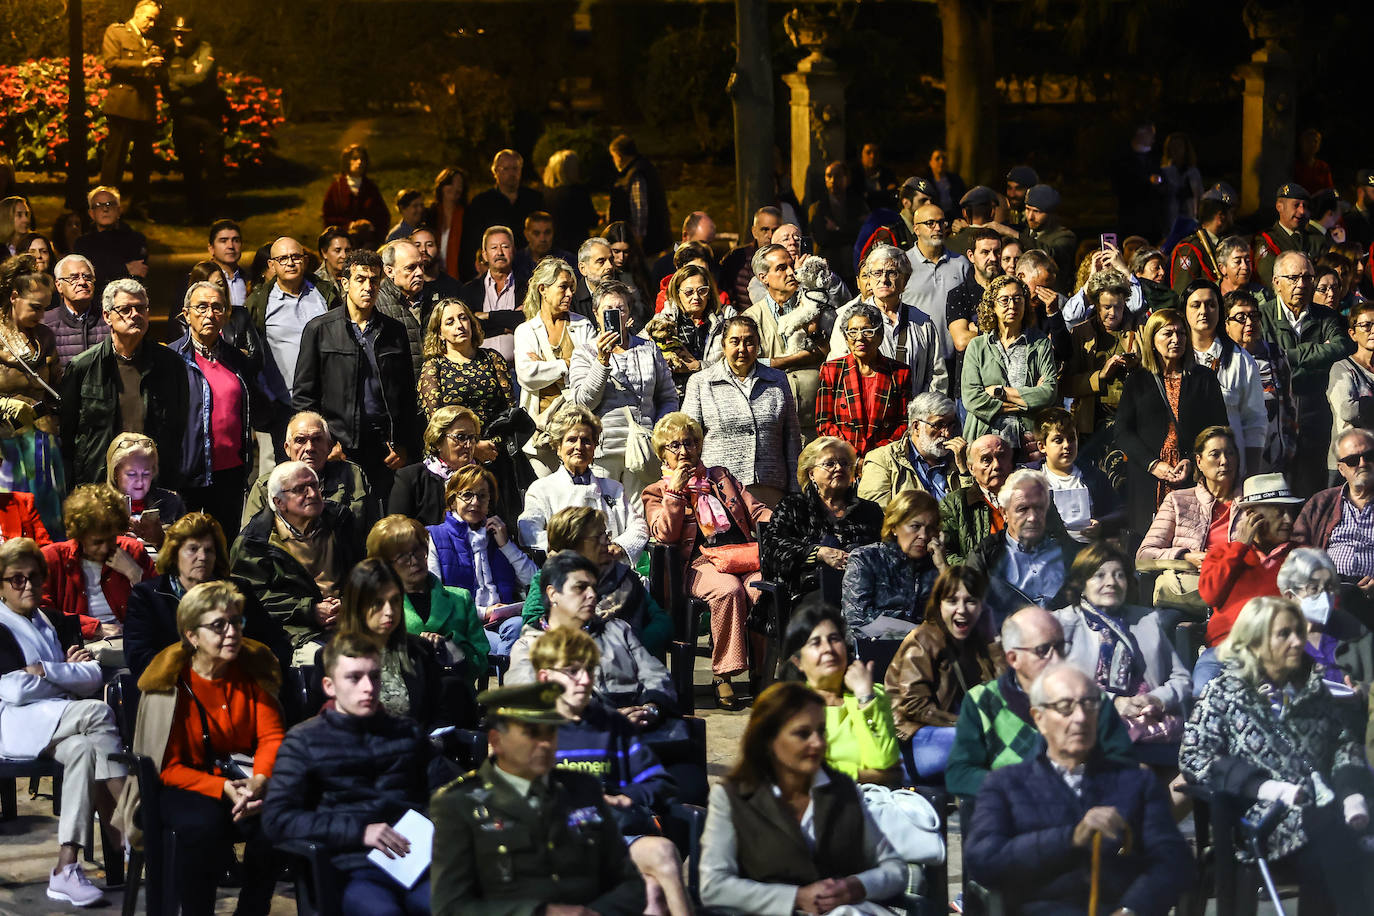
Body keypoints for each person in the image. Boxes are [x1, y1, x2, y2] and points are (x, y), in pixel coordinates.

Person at [1179, 597, 1374, 914]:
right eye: (1284, 634)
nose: (1298, 641)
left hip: (1330, 805)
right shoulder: (1225, 692)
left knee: (1347, 834)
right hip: (1263, 815)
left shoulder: (1314, 690)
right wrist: (1261, 787)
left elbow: (1343, 744)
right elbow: (1194, 755)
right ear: (1254, 640)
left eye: (1298, 632)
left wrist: (1352, 792)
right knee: (1337, 841)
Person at [113, 581, 284, 916]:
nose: (232, 632)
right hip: (183, 783)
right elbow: (168, 767)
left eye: (236, 622)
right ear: (191, 635)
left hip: (242, 776)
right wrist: (221, 788)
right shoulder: (170, 684)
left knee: (276, 820)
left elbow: (271, 736)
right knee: (201, 826)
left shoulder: (252, 671)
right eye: (219, 626)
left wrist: (259, 780)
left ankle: (252, 910)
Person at [967, 663, 1192, 916]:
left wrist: (1132, 909)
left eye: (1089, 705)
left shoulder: (1135, 783)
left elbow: (1173, 859)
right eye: (1065, 708)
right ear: (1039, 718)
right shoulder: (1006, 785)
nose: (1081, 718)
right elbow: (982, 860)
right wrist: (1071, 837)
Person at [263, 631, 450, 916]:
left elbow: (442, 790)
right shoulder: (305, 741)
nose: (368, 688)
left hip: (415, 860)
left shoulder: (407, 733)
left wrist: (436, 824)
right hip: (350, 865)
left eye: (374, 676)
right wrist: (359, 832)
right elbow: (277, 818)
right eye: (354, 678)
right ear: (329, 685)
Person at [429, 681, 647, 915]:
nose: (544, 744)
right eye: (531, 733)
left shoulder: (583, 790)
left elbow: (630, 884)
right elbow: (451, 905)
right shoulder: (458, 804)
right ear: (496, 741)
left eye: (550, 732)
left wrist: (591, 912)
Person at [699, 681, 906, 915]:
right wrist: (795, 898)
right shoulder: (733, 798)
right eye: (802, 734)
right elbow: (713, 885)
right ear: (769, 740)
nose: (817, 743)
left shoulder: (842, 790)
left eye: (821, 731)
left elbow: (894, 868)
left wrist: (856, 886)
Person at [0, 538, 127, 908]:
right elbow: (13, 689)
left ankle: (66, 868)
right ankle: (131, 824)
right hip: (14, 725)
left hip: (58, 720)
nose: (28, 586)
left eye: (34, 577)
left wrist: (48, 671)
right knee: (99, 712)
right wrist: (65, 674)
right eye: (16, 579)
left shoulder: (51, 619)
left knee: (88, 748)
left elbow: (92, 676)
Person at [532, 628, 692, 916]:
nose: (584, 681)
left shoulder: (611, 725)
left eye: (588, 671)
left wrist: (625, 797)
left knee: (664, 858)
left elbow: (658, 782)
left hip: (617, 838)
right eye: (571, 672)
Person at [643, 412, 770, 708]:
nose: (684, 451)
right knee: (727, 590)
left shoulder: (720, 477)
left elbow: (756, 511)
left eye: (689, 443)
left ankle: (762, 672)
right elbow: (664, 535)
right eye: (674, 446)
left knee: (761, 588)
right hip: (697, 564)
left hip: (742, 555)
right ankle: (723, 676)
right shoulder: (655, 491)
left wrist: (779, 524)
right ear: (662, 453)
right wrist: (676, 492)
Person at [945, 606, 1135, 799]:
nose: (1056, 659)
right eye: (1043, 650)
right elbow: (960, 775)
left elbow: (1123, 764)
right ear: (1013, 658)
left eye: (1061, 647)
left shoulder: (1091, 700)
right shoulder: (981, 701)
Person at [293, 248, 418, 503]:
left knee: (385, 529)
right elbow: (305, 397)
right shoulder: (319, 330)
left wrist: (404, 445)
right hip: (339, 446)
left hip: (385, 446)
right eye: (360, 279)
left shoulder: (394, 331)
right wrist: (324, 444)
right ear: (345, 283)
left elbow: (406, 395)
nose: (368, 287)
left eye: (374, 280)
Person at [1053, 544, 1191, 761]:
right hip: (1095, 724)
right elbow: (1056, 686)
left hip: (1153, 722)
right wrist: (1114, 702)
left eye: (1119, 575)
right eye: (1099, 575)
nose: (1111, 582)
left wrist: (1156, 699)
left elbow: (1181, 678)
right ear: (1081, 584)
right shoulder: (1062, 624)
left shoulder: (1147, 620)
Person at [508, 551, 675, 723]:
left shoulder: (618, 630)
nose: (592, 595)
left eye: (593, 587)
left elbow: (656, 675)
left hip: (639, 731)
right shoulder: (529, 647)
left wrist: (650, 709)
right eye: (580, 587)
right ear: (553, 594)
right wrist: (604, 719)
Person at [58, 276, 187, 489]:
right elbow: (69, 434)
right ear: (107, 316)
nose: (135, 315)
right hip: (99, 483)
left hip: (153, 481)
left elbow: (179, 427)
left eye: (140, 308)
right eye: (126, 310)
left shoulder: (170, 364)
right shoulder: (83, 367)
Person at [231, 461, 361, 666]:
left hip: (350, 620)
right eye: (300, 489)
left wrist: (348, 603)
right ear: (279, 502)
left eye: (315, 485)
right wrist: (311, 611)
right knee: (332, 661)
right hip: (295, 633)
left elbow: (363, 572)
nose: (312, 493)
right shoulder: (255, 542)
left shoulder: (340, 520)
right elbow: (255, 600)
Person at [124, 511, 281, 681]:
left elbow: (276, 643)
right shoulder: (148, 596)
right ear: (174, 554)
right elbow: (139, 658)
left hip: (237, 683)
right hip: (177, 688)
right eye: (193, 549)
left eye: (209, 550)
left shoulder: (238, 590)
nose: (203, 557)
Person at [1115, 307, 1229, 532]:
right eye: (1168, 333)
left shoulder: (1203, 378)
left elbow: (1218, 429)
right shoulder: (1138, 381)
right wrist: (1153, 464)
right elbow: (1122, 431)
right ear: (1152, 338)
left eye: (1181, 333)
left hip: (1192, 475)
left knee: (1190, 537)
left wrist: (1191, 460)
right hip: (1149, 478)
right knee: (1148, 543)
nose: (1176, 339)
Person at [885, 566, 1004, 779]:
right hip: (915, 737)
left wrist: (992, 639)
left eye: (971, 601)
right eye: (952, 601)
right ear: (939, 604)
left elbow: (1005, 694)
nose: (962, 609)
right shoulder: (924, 639)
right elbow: (914, 706)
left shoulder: (978, 642)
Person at [309, 559, 455, 730]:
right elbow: (317, 724)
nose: (389, 611)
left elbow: (439, 714)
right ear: (359, 606)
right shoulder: (332, 657)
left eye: (395, 601)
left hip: (414, 750)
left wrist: (430, 743)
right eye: (378, 603)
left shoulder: (419, 650)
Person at [169, 280, 265, 536]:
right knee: (185, 544)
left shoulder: (236, 359)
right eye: (201, 307)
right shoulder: (172, 360)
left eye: (217, 307)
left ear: (226, 315)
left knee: (225, 544)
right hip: (187, 472)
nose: (209, 314)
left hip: (230, 473)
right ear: (186, 314)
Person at [518, 506, 672, 662]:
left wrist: (634, 646)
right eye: (598, 537)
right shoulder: (548, 579)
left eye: (606, 534)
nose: (608, 541)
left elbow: (660, 621)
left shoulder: (623, 576)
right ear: (574, 544)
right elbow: (532, 625)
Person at [568, 280, 678, 496]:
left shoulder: (648, 349)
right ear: (596, 314)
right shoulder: (584, 353)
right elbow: (583, 403)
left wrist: (658, 433)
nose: (615, 315)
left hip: (644, 449)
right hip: (603, 450)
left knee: (642, 514)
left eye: (621, 309)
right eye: (608, 310)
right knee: (605, 516)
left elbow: (668, 397)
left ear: (629, 314)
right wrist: (601, 361)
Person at [1195, 473, 1303, 691]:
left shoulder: (1302, 556)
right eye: (1279, 512)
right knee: (1201, 692)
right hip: (1227, 650)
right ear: (1252, 515)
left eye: (1290, 512)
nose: (1289, 520)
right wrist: (1239, 547)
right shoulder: (1223, 553)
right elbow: (1210, 594)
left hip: (1279, 653)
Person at [682, 314, 801, 507]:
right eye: (735, 341)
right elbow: (688, 439)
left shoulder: (778, 380)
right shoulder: (701, 382)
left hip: (770, 487)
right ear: (723, 345)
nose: (742, 349)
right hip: (719, 489)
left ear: (758, 345)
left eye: (749, 342)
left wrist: (796, 490)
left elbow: (792, 439)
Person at [1261, 250, 1351, 495]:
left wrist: (1287, 355)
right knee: (1277, 490)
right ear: (1276, 282)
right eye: (1293, 278)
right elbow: (1264, 358)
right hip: (1275, 417)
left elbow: (1341, 348)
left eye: (1308, 278)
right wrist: (1316, 352)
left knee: (1313, 490)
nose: (1301, 284)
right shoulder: (1262, 316)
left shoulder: (1326, 316)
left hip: (1315, 415)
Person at [368, 513, 489, 692]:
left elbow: (482, 661)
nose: (415, 560)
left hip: (454, 702)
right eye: (403, 556)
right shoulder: (376, 607)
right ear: (384, 564)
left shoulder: (460, 599)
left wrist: (451, 647)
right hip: (401, 704)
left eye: (418, 550)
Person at [784, 602, 901, 785]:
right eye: (816, 643)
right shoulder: (791, 706)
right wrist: (868, 776)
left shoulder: (872, 695)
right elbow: (804, 770)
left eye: (834, 639)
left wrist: (865, 698)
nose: (828, 649)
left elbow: (885, 762)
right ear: (798, 661)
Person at [426, 465, 537, 656]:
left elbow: (534, 580)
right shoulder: (435, 536)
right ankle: (509, 681)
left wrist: (506, 546)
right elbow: (436, 594)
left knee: (519, 628)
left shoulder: (497, 533)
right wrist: (484, 612)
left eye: (482, 496)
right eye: (467, 495)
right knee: (516, 645)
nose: (475, 502)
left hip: (503, 620)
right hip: (463, 624)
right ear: (452, 500)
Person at [518, 406, 650, 566]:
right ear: (558, 447)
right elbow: (527, 530)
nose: (579, 447)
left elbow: (639, 526)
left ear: (594, 448)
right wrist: (568, 550)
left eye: (586, 441)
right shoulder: (541, 489)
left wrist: (620, 547)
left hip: (611, 573)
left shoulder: (613, 489)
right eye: (571, 439)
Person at [760, 436, 883, 606]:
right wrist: (818, 553)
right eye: (829, 463)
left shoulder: (870, 510)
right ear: (811, 473)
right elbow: (772, 549)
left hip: (866, 594)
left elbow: (887, 551)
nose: (839, 467)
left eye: (845, 463)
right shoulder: (794, 506)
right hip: (806, 594)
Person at [41, 484, 154, 667]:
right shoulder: (53, 558)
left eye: (111, 538)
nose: (105, 547)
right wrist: (95, 628)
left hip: (129, 642)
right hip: (78, 647)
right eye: (97, 542)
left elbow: (160, 605)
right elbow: (43, 613)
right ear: (79, 535)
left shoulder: (132, 551)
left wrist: (135, 574)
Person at [1136, 425, 1241, 610]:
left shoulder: (1249, 503)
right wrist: (1186, 556)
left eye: (1230, 453)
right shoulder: (1178, 501)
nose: (1225, 461)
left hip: (1238, 589)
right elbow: (1144, 555)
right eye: (1215, 454)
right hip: (1190, 592)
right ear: (1199, 461)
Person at [245, 236, 338, 437]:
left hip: (327, 403)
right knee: (289, 468)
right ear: (271, 264)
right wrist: (268, 397)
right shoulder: (259, 303)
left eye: (296, 256)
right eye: (283, 258)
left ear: (304, 260)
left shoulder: (325, 294)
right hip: (283, 406)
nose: (290, 262)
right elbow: (253, 356)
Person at [513, 257, 598, 476]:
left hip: (579, 430)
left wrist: (546, 366)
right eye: (563, 287)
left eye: (572, 288)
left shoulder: (582, 325)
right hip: (541, 433)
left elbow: (591, 373)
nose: (570, 294)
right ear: (543, 289)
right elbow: (527, 375)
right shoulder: (526, 331)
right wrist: (567, 364)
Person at [961, 275, 1058, 459]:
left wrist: (999, 392)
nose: (1012, 305)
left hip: (1028, 441)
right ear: (993, 306)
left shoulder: (1040, 343)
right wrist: (1027, 399)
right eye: (1004, 300)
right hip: (985, 439)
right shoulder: (978, 346)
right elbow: (971, 398)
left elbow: (1049, 392)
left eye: (1018, 299)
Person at [0, 255, 64, 536]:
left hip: (41, 442)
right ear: (14, 297)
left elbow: (57, 387)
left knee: (47, 525)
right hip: (4, 446)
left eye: (45, 309)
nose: (41, 316)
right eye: (35, 308)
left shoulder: (45, 336)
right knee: (11, 527)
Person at [966, 469, 1079, 624]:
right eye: (1022, 509)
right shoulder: (985, 557)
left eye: (1039, 507)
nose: (1032, 517)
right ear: (1004, 513)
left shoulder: (1070, 553)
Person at [242, 410, 376, 534]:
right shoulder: (266, 486)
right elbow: (249, 545)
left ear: (329, 446)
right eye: (300, 440)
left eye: (317, 439)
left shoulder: (353, 476)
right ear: (287, 448)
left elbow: (372, 536)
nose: (309, 448)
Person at [1183, 279, 1265, 475]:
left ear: (1220, 311)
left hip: (1229, 470)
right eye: (1196, 305)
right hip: (1183, 468)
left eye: (1211, 305)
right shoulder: (1173, 359)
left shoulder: (1240, 360)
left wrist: (1251, 475)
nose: (1204, 311)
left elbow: (1255, 422)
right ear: (1184, 310)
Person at [815, 303, 911, 458]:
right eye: (852, 332)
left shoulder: (899, 373)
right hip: (843, 461)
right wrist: (852, 456)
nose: (859, 338)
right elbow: (824, 423)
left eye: (867, 331)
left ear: (879, 336)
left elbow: (904, 423)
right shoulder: (832, 370)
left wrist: (875, 457)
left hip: (885, 460)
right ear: (846, 338)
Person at [841, 490, 946, 631]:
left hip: (927, 649)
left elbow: (960, 614)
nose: (924, 535)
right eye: (915, 526)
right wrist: (915, 629)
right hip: (876, 647)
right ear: (895, 526)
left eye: (931, 528)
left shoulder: (934, 564)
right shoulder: (866, 559)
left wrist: (943, 567)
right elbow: (859, 619)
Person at [1224, 288, 1298, 473]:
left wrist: (1289, 448)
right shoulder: (1223, 361)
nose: (1249, 323)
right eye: (1240, 317)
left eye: (1254, 316)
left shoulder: (1274, 354)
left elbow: (1290, 406)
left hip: (1278, 462)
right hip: (1238, 463)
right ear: (1225, 324)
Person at [99, 1, 163, 215]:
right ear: (137, 14)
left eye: (155, 19)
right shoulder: (116, 32)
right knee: (115, 159)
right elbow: (111, 62)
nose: (152, 23)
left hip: (145, 106)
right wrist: (143, 65)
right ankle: (106, 207)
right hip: (123, 105)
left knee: (143, 161)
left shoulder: (151, 40)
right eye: (149, 18)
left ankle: (140, 206)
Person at [1276, 547, 1370, 687]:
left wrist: (1363, 693)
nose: (1325, 596)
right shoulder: (1273, 636)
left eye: (1329, 587)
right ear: (1290, 596)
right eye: (1314, 589)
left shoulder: (1354, 630)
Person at [418, 297, 514, 432]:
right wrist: (474, 445)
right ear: (440, 333)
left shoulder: (492, 358)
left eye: (463, 318)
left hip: (495, 445)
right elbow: (435, 423)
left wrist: (495, 444)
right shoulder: (434, 366)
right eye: (450, 322)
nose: (459, 325)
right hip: (454, 447)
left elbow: (510, 410)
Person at [1295, 428, 1374, 589]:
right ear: (1341, 469)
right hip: (1330, 592)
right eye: (1352, 461)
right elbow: (1298, 549)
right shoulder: (1322, 502)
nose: (1363, 464)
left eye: (1369, 456)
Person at [165, 16, 226, 221]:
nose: (179, 36)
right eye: (176, 32)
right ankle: (194, 211)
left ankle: (217, 212)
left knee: (214, 164)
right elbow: (167, 85)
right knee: (190, 167)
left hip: (208, 117)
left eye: (184, 32)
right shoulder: (169, 53)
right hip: (183, 118)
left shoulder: (205, 50)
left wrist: (179, 80)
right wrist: (185, 81)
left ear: (193, 34)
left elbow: (201, 78)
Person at [1032, 407, 1124, 543]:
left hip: (1087, 552)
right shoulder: (1031, 478)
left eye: (1071, 439)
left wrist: (1101, 524)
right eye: (1058, 440)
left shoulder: (1093, 476)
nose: (1067, 445)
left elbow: (1120, 511)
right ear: (1042, 446)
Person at [857, 392, 967, 505]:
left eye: (951, 425)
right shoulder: (883, 459)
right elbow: (875, 515)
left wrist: (964, 471)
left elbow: (976, 513)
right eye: (938, 425)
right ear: (916, 427)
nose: (947, 434)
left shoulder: (958, 458)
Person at [388, 404, 482, 527]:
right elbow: (396, 531)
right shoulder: (410, 478)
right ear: (438, 440)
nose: (469, 445)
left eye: (472, 437)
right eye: (460, 437)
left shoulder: (483, 479)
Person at [650, 263, 735, 397]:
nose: (696, 297)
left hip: (714, 393)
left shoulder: (726, 319)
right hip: (672, 395)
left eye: (702, 290)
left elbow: (736, 363)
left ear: (709, 293)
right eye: (689, 292)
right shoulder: (662, 320)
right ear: (677, 293)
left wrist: (699, 366)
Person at [460, 149, 545, 277]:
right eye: (506, 169)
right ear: (495, 172)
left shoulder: (535, 199)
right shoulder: (481, 202)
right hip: (495, 269)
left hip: (530, 269)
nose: (512, 173)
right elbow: (471, 241)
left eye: (515, 168)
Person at [458, 225, 531, 363]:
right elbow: (471, 327)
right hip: (480, 369)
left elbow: (524, 320)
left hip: (517, 372)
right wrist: (506, 325)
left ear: (513, 251)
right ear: (485, 255)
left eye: (505, 246)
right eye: (494, 247)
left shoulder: (528, 288)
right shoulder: (468, 290)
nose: (500, 252)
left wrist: (487, 316)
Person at [105, 431, 186, 552]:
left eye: (146, 474)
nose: (140, 481)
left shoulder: (171, 502)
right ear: (115, 472)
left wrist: (161, 540)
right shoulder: (99, 506)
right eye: (131, 474)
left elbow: (187, 554)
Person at [939, 433, 1013, 565]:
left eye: (1001, 456)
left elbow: (1057, 542)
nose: (996, 465)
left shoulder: (1032, 497)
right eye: (986, 460)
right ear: (971, 468)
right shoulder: (954, 503)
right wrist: (977, 572)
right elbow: (945, 552)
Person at [1326, 301, 1374, 485]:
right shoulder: (1342, 368)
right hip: (1348, 462)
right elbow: (1348, 411)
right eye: (1366, 325)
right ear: (1352, 334)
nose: (1372, 330)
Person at [73, 186, 149, 293]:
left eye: (110, 204)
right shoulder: (82, 244)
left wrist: (102, 269)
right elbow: (86, 277)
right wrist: (125, 268)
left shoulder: (136, 239)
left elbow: (138, 273)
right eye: (99, 205)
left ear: (119, 210)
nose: (105, 209)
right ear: (91, 213)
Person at [1252, 184, 1328, 288]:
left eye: (1305, 206)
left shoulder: (1317, 240)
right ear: (1280, 206)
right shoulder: (1267, 240)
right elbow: (1270, 280)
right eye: (1296, 205)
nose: (1302, 211)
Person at [608, 134, 671, 258]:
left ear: (619, 156)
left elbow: (640, 208)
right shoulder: (644, 167)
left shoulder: (636, 174)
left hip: (648, 242)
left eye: (613, 156)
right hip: (656, 238)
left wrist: (638, 238)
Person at [44, 254, 110, 369]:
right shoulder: (45, 324)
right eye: (74, 278)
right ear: (59, 285)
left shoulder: (109, 320)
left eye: (88, 277)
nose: (82, 282)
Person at [375, 239, 427, 378]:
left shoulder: (435, 297)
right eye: (411, 268)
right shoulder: (375, 304)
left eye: (422, 265)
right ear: (389, 271)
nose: (419, 272)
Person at [1017, 185, 1078, 293]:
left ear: (1051, 213)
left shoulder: (1065, 237)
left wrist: (1017, 236)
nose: (1030, 216)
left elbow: (1050, 253)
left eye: (1037, 211)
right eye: (1027, 209)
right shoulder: (1025, 232)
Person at [719, 206, 782, 307]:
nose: (770, 235)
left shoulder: (789, 258)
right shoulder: (736, 258)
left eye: (775, 230)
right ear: (754, 232)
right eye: (764, 230)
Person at [543, 149, 599, 257]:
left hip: (551, 248)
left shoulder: (544, 194)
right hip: (576, 248)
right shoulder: (578, 193)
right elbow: (590, 220)